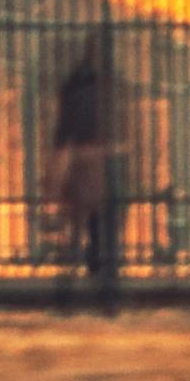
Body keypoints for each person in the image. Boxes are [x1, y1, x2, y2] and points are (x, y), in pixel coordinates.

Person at [46, 46, 120, 297]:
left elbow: (63, 127)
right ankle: (96, 256)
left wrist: (60, 151)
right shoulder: (104, 88)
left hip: (80, 152)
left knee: (81, 211)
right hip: (97, 153)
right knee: (97, 209)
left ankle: (76, 260)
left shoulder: (73, 87)